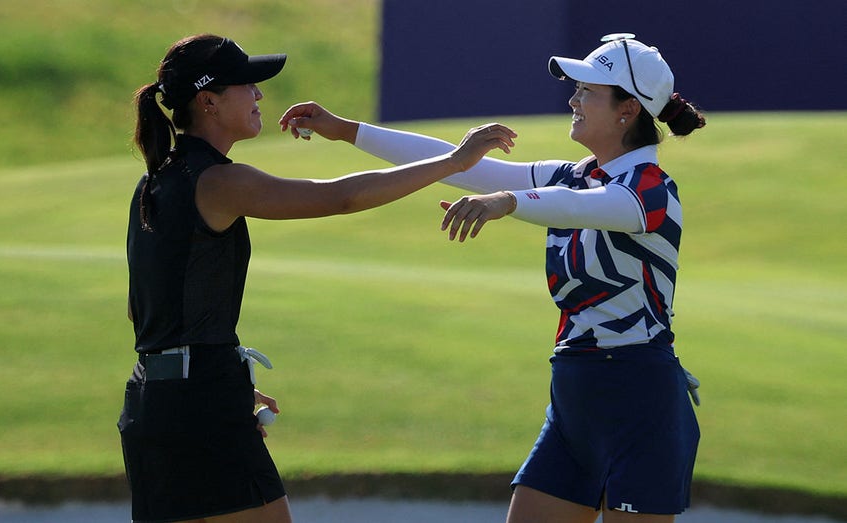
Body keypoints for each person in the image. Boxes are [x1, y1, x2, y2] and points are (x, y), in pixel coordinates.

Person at [280, 33, 705, 523]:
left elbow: (587, 208)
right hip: (574, 395)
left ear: (627, 110)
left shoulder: (651, 188)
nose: (573, 99)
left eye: (587, 90)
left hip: (640, 402)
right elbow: (458, 166)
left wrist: (509, 202)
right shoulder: (572, 175)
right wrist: (346, 129)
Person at [117, 33, 516, 523]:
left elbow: (147, 309)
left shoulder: (155, 180)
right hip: (200, 402)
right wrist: (454, 163)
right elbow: (339, 197)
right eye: (248, 86)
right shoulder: (219, 181)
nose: (260, 95)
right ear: (209, 101)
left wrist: (218, 371)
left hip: (151, 402)